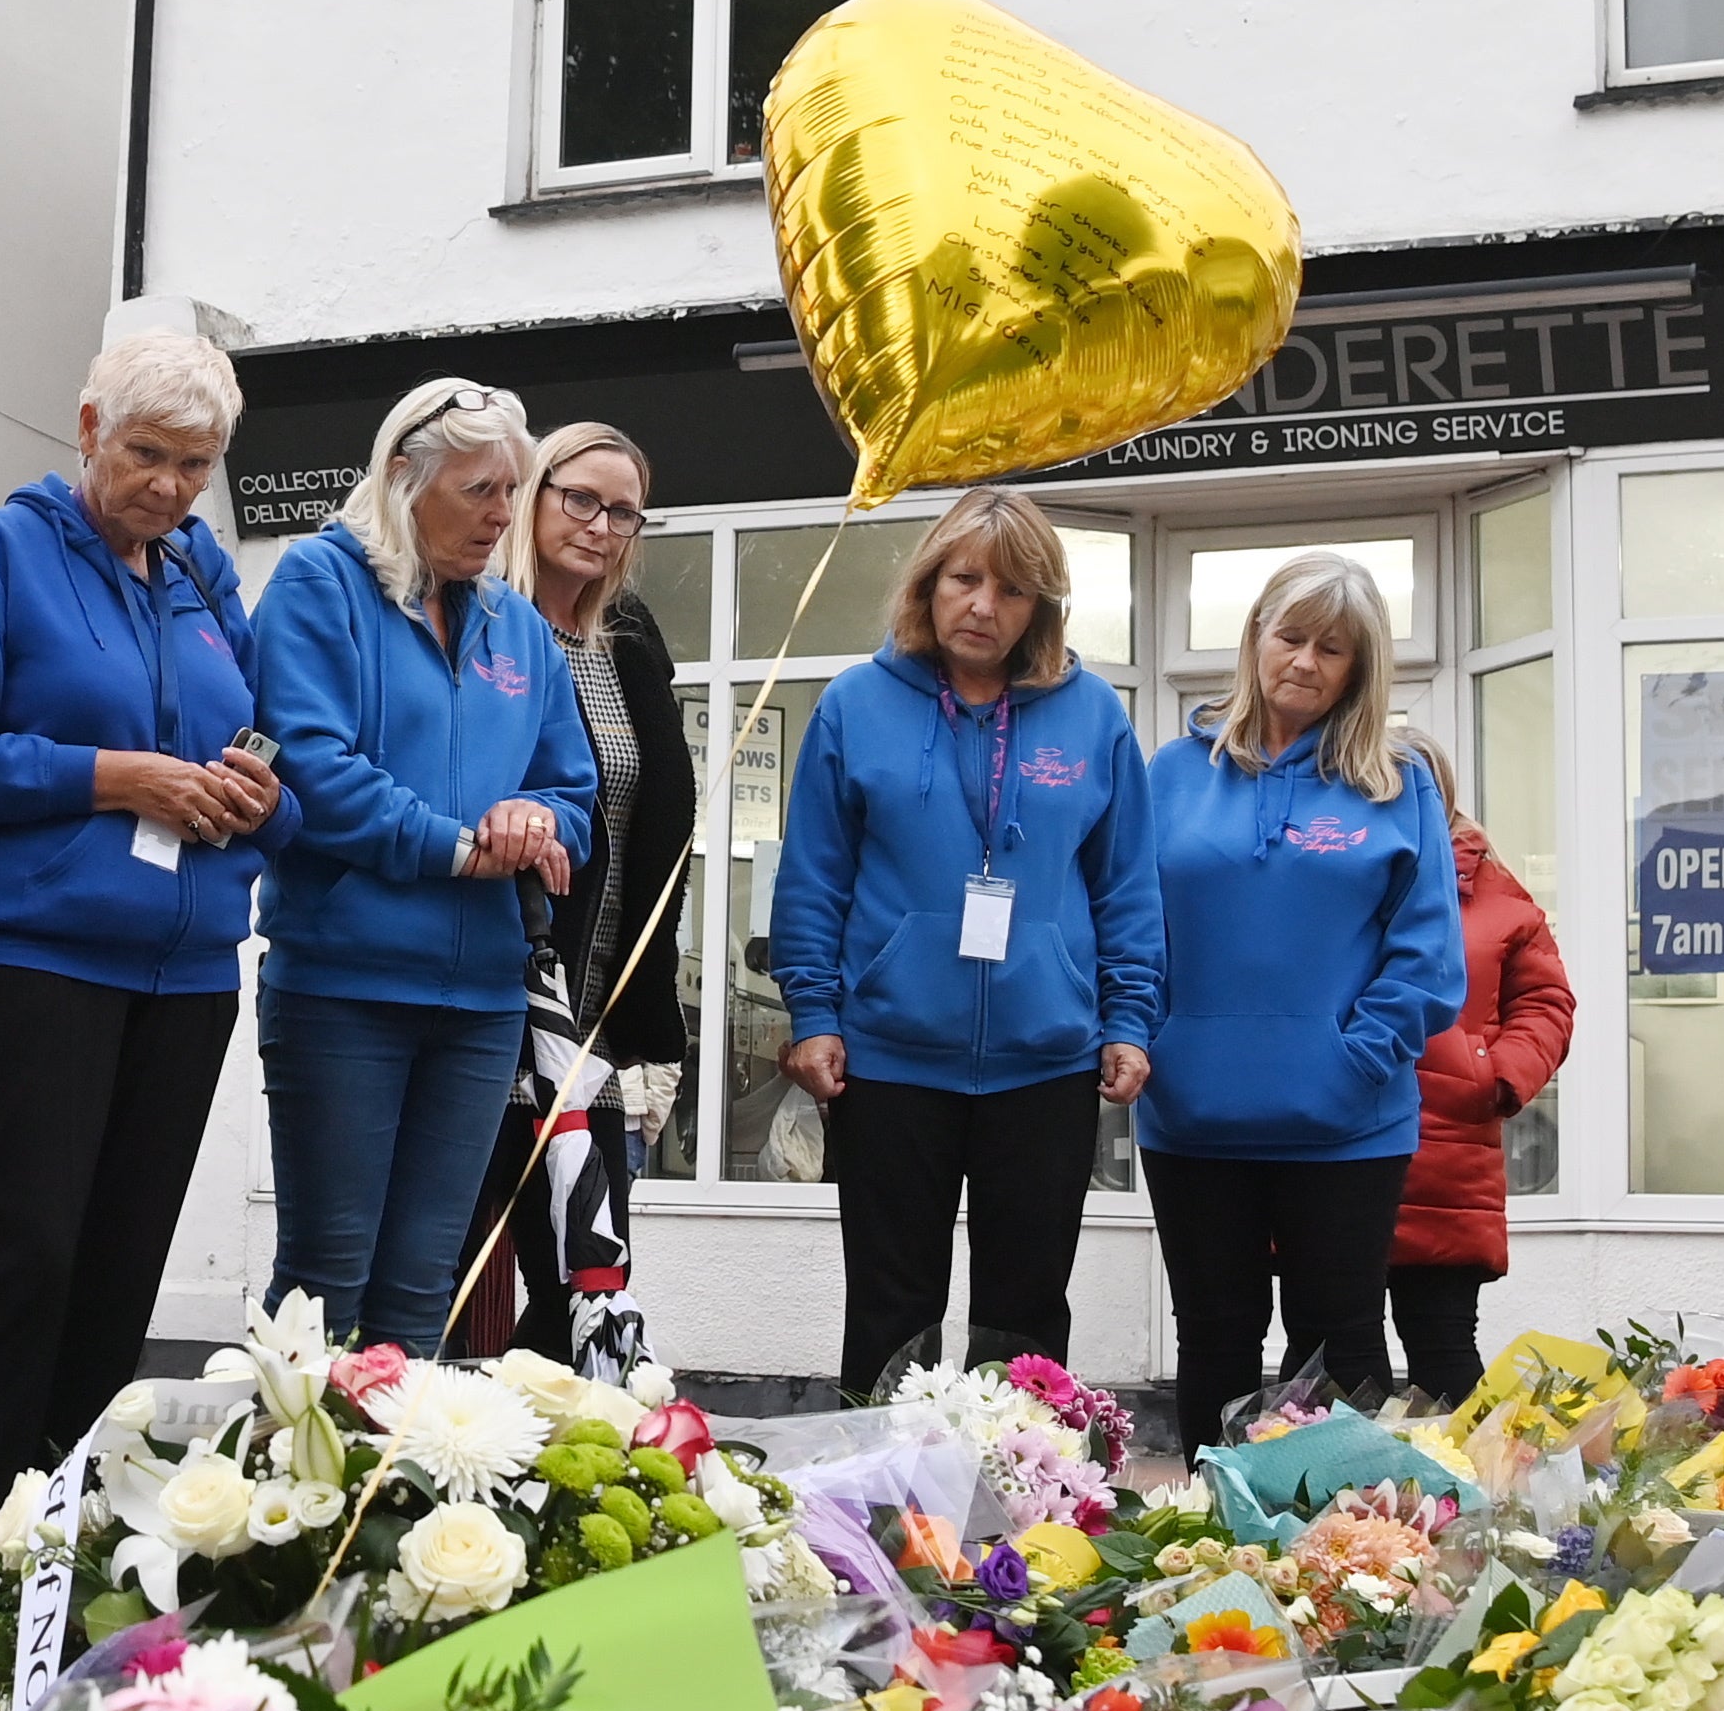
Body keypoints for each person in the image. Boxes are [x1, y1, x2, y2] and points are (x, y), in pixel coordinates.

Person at [0, 329, 289, 1591]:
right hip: (29, 958)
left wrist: (252, 791)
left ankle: (59, 1569)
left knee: (116, 1281)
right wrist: (113, 775)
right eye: (147, 454)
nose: (168, 485)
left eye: (196, 464)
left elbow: (269, 750)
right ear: (87, 426)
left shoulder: (208, 582)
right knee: (25, 1265)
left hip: (182, 972)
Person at [771, 486, 1160, 1395]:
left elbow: (1126, 885)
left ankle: (1020, 1518)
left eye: (1013, 590)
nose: (984, 605)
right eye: (964, 578)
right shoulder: (854, 704)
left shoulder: (1093, 714)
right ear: (928, 583)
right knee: (888, 1308)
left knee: (1023, 1316)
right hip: (889, 1062)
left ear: (1041, 609)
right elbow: (814, 880)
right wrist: (814, 1012)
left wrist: (1128, 1017)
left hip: (1046, 1062)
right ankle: (884, 1523)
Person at [251, 380, 594, 1349]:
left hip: (481, 1004)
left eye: (511, 491)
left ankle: (391, 1502)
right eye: (482, 489)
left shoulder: (519, 628)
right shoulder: (318, 582)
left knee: (421, 1289)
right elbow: (310, 766)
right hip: (342, 986)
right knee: (325, 1283)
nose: (503, 515)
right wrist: (459, 847)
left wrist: (537, 821)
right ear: (404, 477)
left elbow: (573, 794)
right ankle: (301, 1500)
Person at [1135, 551, 1462, 1443]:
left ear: (1360, 667)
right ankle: (1206, 1554)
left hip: (1348, 1126)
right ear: (1253, 640)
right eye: (1290, 637)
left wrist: (1352, 1060)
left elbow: (1428, 953)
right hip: (1190, 1117)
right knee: (1213, 1341)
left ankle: (1337, 1560)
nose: (1305, 663)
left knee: (1340, 1351)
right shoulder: (1169, 773)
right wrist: (1154, 1044)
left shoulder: (1396, 784)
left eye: (1333, 648)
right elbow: (1129, 927)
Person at [485, 422, 698, 1364]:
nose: (601, 527)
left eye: (622, 512)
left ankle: (539, 1492)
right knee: (442, 1270)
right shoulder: (479, 620)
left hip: (599, 1015)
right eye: (579, 499)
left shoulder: (631, 639)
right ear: (528, 494)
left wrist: (652, 1019)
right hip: (492, 997)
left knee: (588, 1284)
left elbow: (660, 831)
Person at [1387, 758, 1573, 1397]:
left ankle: (1466, 1497)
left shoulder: (1499, 899)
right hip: (1335, 1137)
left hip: (1447, 1150)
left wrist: (1494, 1076)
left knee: (1441, 1348)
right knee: (1333, 1345)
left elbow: (1546, 1005)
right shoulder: (1329, 873)